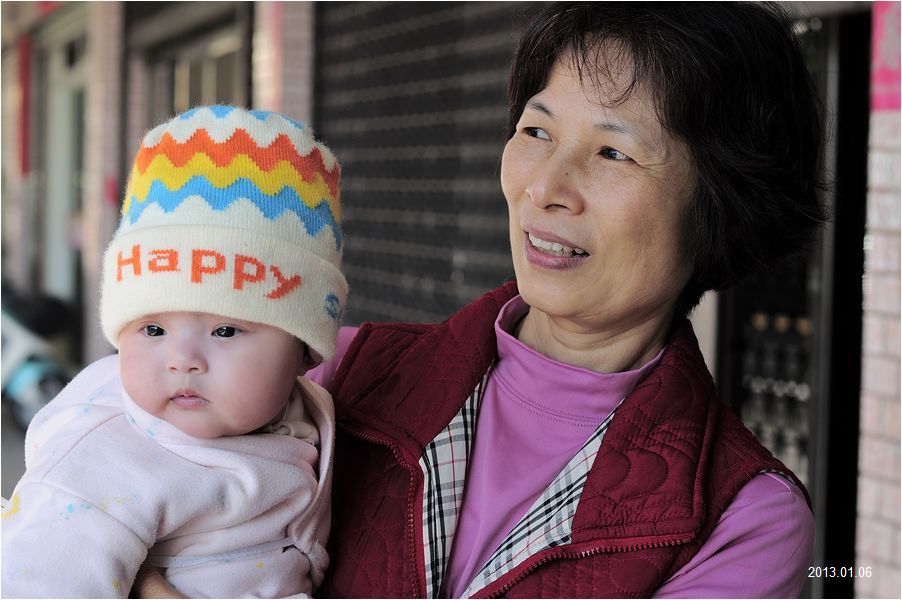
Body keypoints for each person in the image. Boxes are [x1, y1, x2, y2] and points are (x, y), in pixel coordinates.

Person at [134, 2, 823, 598]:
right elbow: (100, 489)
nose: (544, 187)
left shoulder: (741, 521)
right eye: (536, 131)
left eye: (613, 153)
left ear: (723, 204)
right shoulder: (334, 374)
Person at [1, 105, 348, 598]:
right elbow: (37, 580)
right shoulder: (107, 460)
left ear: (304, 350)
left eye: (226, 330)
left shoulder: (301, 412)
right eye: (153, 329)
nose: (182, 359)